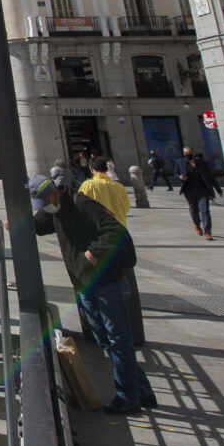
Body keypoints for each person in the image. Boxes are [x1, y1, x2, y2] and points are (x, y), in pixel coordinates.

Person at [32, 156, 156, 413]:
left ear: (57, 192)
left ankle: (128, 398)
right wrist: (17, 224)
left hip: (106, 280)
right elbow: (39, 224)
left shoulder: (81, 203)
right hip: (85, 283)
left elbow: (115, 230)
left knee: (117, 338)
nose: (45, 207)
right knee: (106, 338)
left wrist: (94, 252)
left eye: (45, 201)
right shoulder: (54, 210)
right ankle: (142, 391)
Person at [179, 148, 222, 239]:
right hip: (189, 191)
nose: (188, 155)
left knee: (205, 211)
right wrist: (180, 177)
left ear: (193, 153)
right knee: (194, 210)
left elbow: (210, 177)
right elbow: (176, 174)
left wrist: (218, 190)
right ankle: (197, 225)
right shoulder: (180, 162)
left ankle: (207, 232)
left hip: (203, 190)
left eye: (189, 153)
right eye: (186, 154)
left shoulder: (202, 163)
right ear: (183, 154)